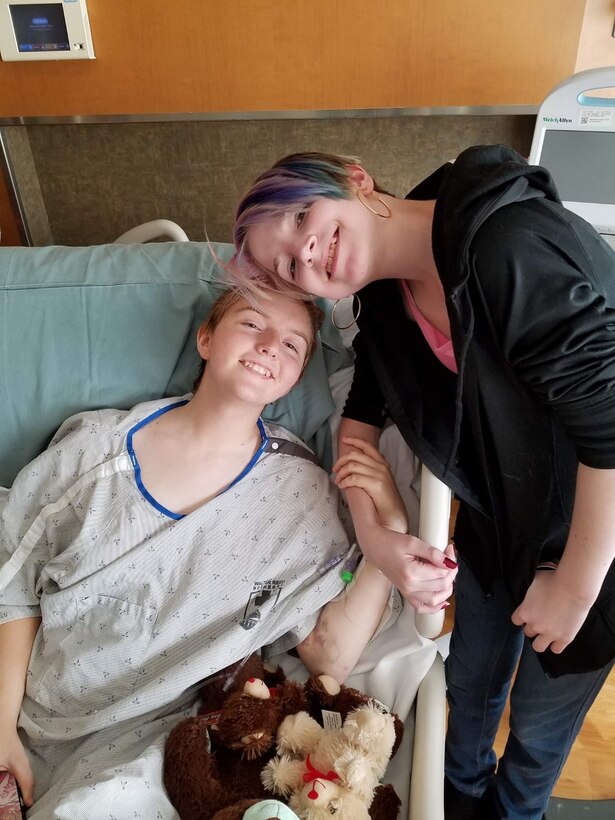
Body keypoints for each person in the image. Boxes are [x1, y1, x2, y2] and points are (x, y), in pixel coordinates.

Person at [230, 146, 615, 820]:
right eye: (289, 263)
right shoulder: (386, 299)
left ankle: (517, 810)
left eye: (299, 217)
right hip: (505, 515)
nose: (307, 249)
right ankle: (461, 793)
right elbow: (361, 417)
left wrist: (576, 585)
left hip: (599, 536)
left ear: (355, 177)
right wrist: (377, 536)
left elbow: (611, 423)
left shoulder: (504, 247)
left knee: (540, 716)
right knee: (469, 682)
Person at [0, 286, 402, 819]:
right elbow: (15, 584)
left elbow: (330, 651)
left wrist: (390, 529)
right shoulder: (96, 449)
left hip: (145, 740)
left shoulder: (299, 494)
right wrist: (3, 724)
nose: (268, 347)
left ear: (298, 374)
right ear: (206, 338)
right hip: (34, 700)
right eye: (252, 325)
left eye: (292, 345)